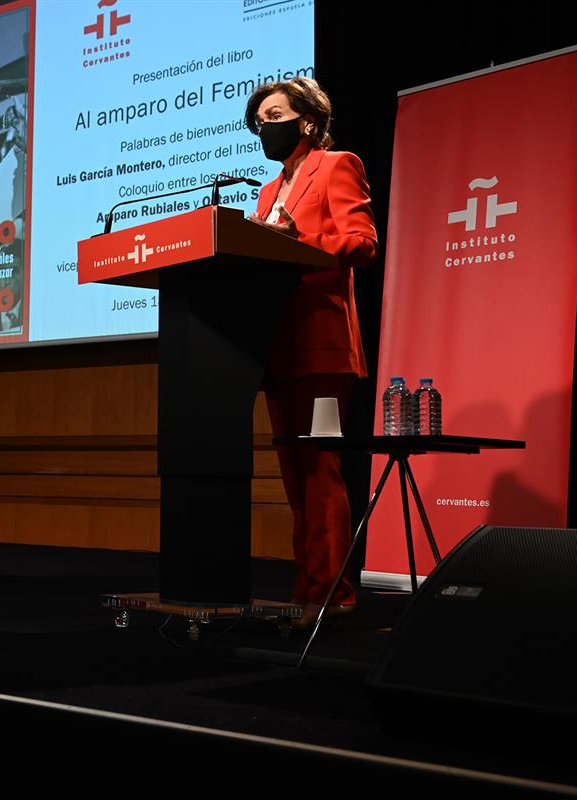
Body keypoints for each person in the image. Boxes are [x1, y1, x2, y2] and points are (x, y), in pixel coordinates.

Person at [243, 77, 378, 626]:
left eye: (273, 115)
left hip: (322, 353)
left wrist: (301, 243)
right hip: (279, 351)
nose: (263, 127)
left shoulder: (338, 164)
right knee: (296, 480)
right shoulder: (268, 192)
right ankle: (306, 592)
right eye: (258, 121)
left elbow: (361, 244)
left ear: (305, 120)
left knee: (321, 470)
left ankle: (332, 597)